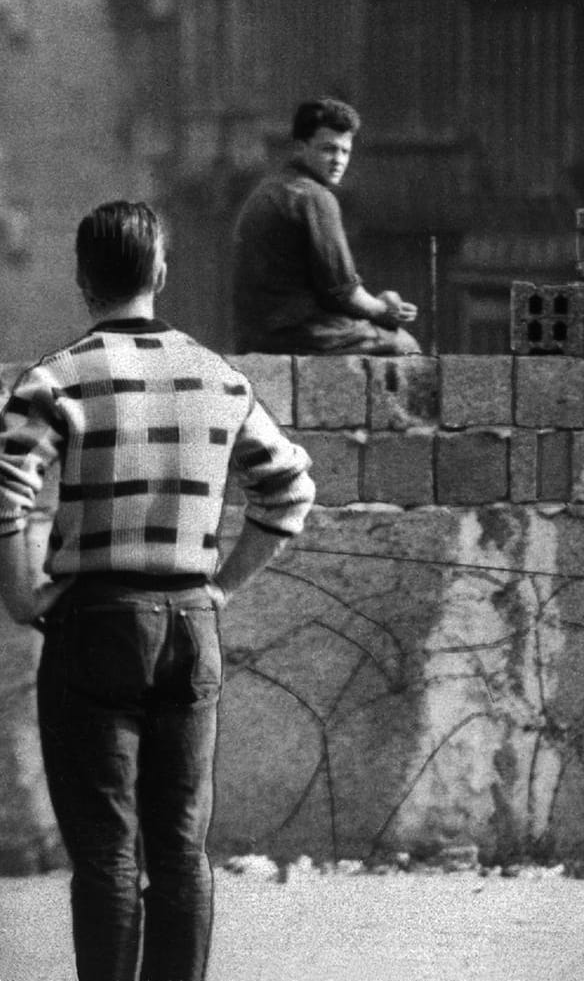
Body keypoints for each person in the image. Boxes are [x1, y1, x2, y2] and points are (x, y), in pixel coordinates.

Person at [0, 201, 316, 981]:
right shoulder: (219, 376)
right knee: (180, 849)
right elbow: (290, 490)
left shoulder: (53, 378)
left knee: (106, 851)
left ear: (82, 281)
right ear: (161, 274)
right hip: (189, 625)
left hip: (93, 625)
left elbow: (8, 485)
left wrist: (21, 592)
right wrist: (221, 587)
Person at [231, 97, 421, 355]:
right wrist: (384, 309)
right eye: (328, 149)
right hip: (299, 334)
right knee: (405, 346)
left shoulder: (266, 190)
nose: (338, 160)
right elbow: (343, 292)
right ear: (300, 148)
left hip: (254, 336)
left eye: (345, 151)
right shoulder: (314, 197)